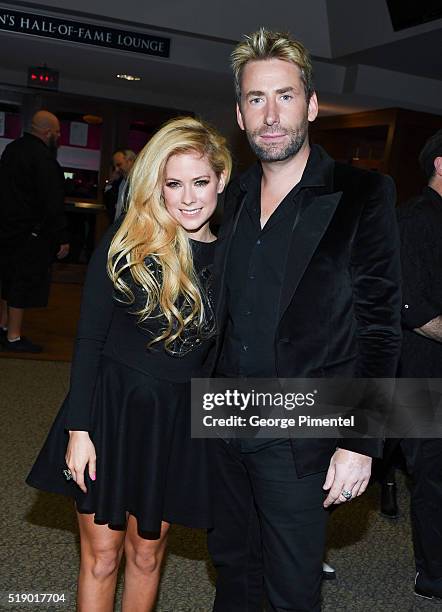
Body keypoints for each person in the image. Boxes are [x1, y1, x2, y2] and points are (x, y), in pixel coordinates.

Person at [207, 28, 402, 611]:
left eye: (285, 96)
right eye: (256, 99)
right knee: (234, 571)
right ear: (239, 114)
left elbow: (379, 326)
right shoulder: (232, 197)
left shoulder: (364, 193)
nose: (271, 114)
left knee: (292, 589)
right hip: (223, 419)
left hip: (305, 428)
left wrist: (362, 443)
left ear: (311, 105)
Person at [27, 116, 231, 612]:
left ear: (220, 180)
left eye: (200, 182)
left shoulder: (231, 257)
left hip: (174, 426)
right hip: (109, 417)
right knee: (101, 558)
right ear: (156, 187)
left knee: (146, 556)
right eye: (173, 183)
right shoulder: (127, 243)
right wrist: (79, 431)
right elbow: (89, 339)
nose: (187, 198)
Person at [397, 129, 442, 600]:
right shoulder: (414, 221)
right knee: (431, 473)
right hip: (417, 371)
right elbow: (414, 309)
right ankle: (432, 575)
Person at [0, 110, 69, 353]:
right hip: (31, 233)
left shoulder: (11, 150)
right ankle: (14, 337)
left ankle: (4, 327)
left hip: (7, 229)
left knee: (7, 280)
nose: (59, 137)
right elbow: (52, 201)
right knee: (22, 283)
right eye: (58, 132)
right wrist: (61, 236)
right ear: (47, 132)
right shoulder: (43, 158)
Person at [110, 148, 136, 220]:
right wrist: (111, 182)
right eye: (115, 166)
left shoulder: (141, 182)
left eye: (119, 165)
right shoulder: (120, 181)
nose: (116, 169)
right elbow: (109, 204)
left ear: (130, 161)